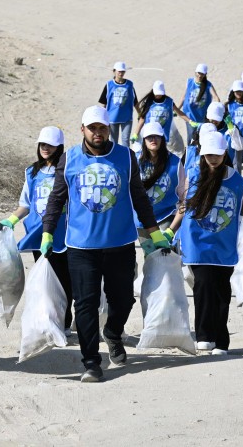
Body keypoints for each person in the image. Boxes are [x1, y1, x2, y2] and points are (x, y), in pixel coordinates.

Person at [41, 105, 169, 383]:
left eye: (102, 127)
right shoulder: (70, 158)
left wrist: (154, 233)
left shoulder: (126, 156)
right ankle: (91, 362)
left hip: (120, 244)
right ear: (82, 130)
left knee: (122, 299)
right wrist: (48, 233)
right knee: (84, 304)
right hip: (80, 246)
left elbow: (139, 197)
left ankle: (112, 332)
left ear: (108, 128)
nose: (97, 132)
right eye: (92, 128)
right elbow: (56, 199)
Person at [166, 130, 243, 356]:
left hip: (224, 244)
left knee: (222, 292)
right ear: (202, 154)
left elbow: (242, 204)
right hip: (197, 243)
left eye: (217, 154)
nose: (213, 159)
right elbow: (185, 206)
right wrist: (171, 230)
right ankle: (204, 337)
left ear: (224, 153)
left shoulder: (236, 180)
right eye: (209, 155)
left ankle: (221, 341)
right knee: (203, 286)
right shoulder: (194, 174)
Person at [0, 126, 74, 334]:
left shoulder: (67, 169)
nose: (45, 148)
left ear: (59, 147)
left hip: (63, 234)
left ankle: (65, 322)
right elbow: (26, 203)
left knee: (64, 280)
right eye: (42, 144)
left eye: (50, 145)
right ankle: (49, 320)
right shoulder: (32, 172)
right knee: (44, 280)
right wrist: (11, 220)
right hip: (37, 234)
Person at [133, 122, 183, 250]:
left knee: (165, 253)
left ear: (162, 138)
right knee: (149, 256)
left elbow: (184, 197)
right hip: (142, 219)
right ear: (144, 139)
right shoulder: (135, 161)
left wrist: (171, 230)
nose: (153, 140)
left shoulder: (175, 163)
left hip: (165, 216)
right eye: (150, 137)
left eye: (157, 136)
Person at [131, 80, 191, 156]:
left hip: (164, 135)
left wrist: (190, 121)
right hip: (151, 133)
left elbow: (179, 113)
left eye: (160, 94)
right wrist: (135, 134)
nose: (158, 95)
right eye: (157, 94)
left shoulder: (169, 102)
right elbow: (142, 118)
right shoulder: (149, 102)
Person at [98, 61, 138, 146]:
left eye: (123, 71)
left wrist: (140, 114)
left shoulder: (129, 85)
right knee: (113, 141)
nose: (121, 73)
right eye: (119, 71)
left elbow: (135, 101)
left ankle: (126, 158)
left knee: (125, 141)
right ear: (114, 71)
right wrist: (102, 117)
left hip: (127, 118)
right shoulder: (109, 85)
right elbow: (104, 103)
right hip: (112, 118)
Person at [181, 63, 221, 143]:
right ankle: (190, 154)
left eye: (202, 74)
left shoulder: (208, 85)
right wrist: (177, 109)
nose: (200, 75)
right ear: (195, 72)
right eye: (199, 73)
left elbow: (216, 97)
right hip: (190, 116)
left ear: (205, 74)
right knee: (191, 138)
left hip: (202, 117)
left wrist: (215, 110)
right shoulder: (189, 82)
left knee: (202, 138)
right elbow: (184, 97)